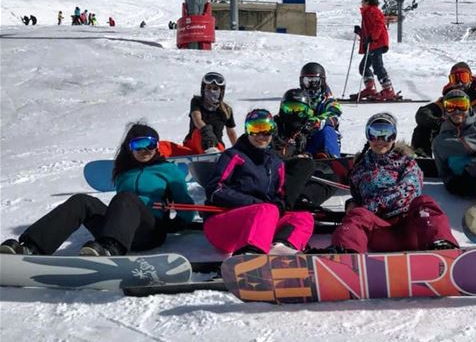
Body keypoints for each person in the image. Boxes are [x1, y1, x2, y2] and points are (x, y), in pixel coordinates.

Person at [0, 124, 194, 257]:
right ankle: (31, 247)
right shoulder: (124, 172)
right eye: (138, 145)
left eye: (150, 144)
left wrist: (177, 223)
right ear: (129, 148)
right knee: (81, 201)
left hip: (149, 232)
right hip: (118, 230)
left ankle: (111, 249)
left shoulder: (169, 170)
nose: (145, 150)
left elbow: (186, 204)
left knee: (126, 198)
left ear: (157, 146)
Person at [326, 113, 458, 253]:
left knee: (424, 202)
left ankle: (441, 246)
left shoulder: (406, 162)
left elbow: (410, 189)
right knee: (357, 214)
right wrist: (353, 205)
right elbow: (359, 200)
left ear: (394, 136)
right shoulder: (360, 168)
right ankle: (346, 253)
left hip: (412, 228)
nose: (380, 140)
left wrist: (374, 203)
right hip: (380, 230)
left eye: (387, 134)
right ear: (367, 136)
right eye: (374, 134)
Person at [203, 109, 314, 255]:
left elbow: (278, 197)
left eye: (266, 129)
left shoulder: (276, 164)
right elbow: (214, 190)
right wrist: (256, 204)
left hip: (261, 224)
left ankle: (280, 247)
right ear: (247, 130)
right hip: (222, 223)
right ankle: (250, 254)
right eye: (255, 129)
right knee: (267, 209)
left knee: (303, 217)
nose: (261, 135)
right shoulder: (233, 156)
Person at [412, 62, 476, 157]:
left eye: (463, 77)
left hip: (475, 132)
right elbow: (423, 113)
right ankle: (422, 158)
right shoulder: (447, 99)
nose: (459, 83)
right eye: (455, 79)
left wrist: (460, 120)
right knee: (423, 127)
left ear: (470, 78)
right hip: (451, 134)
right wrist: (439, 122)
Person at [272, 88, 337, 210]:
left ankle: (305, 200)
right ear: (282, 109)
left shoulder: (306, 127)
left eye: (300, 110)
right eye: (289, 108)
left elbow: (333, 115)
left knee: (332, 177)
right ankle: (286, 201)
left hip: (297, 173)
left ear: (308, 112)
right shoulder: (274, 127)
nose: (294, 114)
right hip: (275, 172)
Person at [158, 72, 237, 157]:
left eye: (215, 88)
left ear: (221, 91)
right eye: (209, 88)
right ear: (203, 89)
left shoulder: (226, 109)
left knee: (202, 135)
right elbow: (197, 118)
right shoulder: (197, 102)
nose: (211, 91)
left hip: (216, 147)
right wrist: (206, 131)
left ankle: (212, 153)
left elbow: (231, 132)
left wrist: (239, 150)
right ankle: (150, 150)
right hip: (193, 146)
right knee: (165, 146)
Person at [352, 0, 395, 101]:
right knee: (364, 67)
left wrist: (373, 37)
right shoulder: (367, 12)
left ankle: (388, 90)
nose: (361, 2)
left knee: (377, 66)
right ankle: (370, 88)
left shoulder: (373, 11)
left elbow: (379, 25)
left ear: (367, 1)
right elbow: (369, 32)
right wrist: (360, 32)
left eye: (363, 0)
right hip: (372, 44)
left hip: (377, 43)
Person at [298, 62, 342, 157]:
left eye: (315, 81)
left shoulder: (328, 100)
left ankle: (329, 156)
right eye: (307, 81)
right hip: (302, 139)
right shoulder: (298, 100)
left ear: (322, 82)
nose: (311, 85)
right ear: (302, 82)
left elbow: (334, 114)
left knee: (327, 129)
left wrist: (317, 121)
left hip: (323, 139)